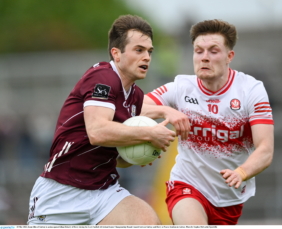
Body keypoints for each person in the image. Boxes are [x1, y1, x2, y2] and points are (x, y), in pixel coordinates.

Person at [27, 15, 176, 225]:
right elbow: (97, 132)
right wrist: (150, 133)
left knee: (146, 221)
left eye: (149, 51)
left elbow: (113, 157)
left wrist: (136, 154)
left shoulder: (135, 95)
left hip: (104, 192)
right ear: (116, 53)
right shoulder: (102, 77)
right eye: (139, 50)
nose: (147, 57)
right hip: (61, 193)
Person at [142, 19, 274, 225]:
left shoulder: (251, 90)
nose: (204, 58)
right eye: (199, 51)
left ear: (229, 56)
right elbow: (134, 106)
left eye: (213, 51)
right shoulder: (181, 87)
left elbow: (265, 149)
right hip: (186, 184)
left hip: (229, 197)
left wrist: (241, 172)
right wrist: (167, 110)